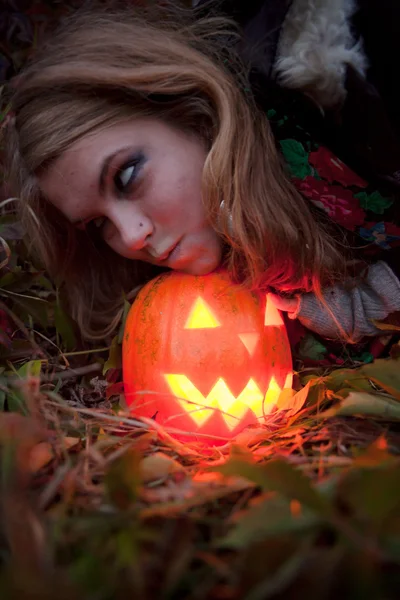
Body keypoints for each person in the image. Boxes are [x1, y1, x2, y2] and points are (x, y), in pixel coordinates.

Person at [4, 0, 400, 361]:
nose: (130, 237)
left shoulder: (340, 74)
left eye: (126, 176)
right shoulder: (258, 251)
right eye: (98, 223)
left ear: (192, 110)